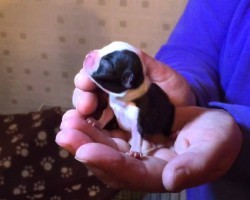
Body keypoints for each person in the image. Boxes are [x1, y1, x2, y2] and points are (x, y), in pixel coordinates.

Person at [56, 0, 250, 199]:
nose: (93, 55)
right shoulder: (117, 97)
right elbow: (195, 48)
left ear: (126, 79)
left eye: (106, 60)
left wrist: (242, 132)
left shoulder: (138, 107)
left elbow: (138, 130)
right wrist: (189, 89)